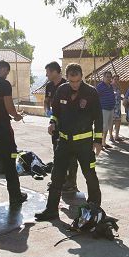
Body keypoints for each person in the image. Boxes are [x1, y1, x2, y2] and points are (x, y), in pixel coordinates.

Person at [35, 63, 103, 222]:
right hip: (64, 142)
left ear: (81, 77)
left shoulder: (91, 92)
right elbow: (56, 112)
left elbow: (98, 118)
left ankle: (94, 209)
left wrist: (98, 140)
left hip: (84, 144)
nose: (74, 85)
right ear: (67, 78)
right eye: (72, 82)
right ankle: (51, 210)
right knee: (56, 176)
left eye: (77, 81)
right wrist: (52, 122)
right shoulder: (62, 90)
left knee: (90, 176)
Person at [0, 60, 27, 207]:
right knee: (10, 163)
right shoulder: (4, 84)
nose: (7, 75)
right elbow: (9, 108)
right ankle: (15, 196)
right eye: (7, 72)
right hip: (3, 130)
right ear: (3, 69)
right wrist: (17, 115)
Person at [44, 61, 79, 192]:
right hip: (55, 124)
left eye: (47, 72)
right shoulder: (49, 86)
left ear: (54, 72)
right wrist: (48, 111)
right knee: (57, 152)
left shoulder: (67, 84)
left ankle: (71, 183)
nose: (46, 75)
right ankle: (59, 180)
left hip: (68, 125)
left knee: (71, 155)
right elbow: (46, 101)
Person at [95, 71, 116, 149]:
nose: (109, 78)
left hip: (111, 109)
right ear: (103, 77)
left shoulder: (110, 86)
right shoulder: (100, 86)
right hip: (104, 109)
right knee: (104, 127)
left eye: (110, 77)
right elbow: (96, 97)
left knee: (108, 126)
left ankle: (104, 143)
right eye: (107, 76)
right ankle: (100, 143)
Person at [111, 74, 124, 142]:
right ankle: (110, 136)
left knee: (118, 121)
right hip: (111, 107)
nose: (116, 80)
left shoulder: (118, 87)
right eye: (115, 79)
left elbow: (118, 96)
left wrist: (123, 99)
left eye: (117, 79)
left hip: (118, 107)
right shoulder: (110, 87)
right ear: (112, 79)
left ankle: (117, 135)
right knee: (111, 122)